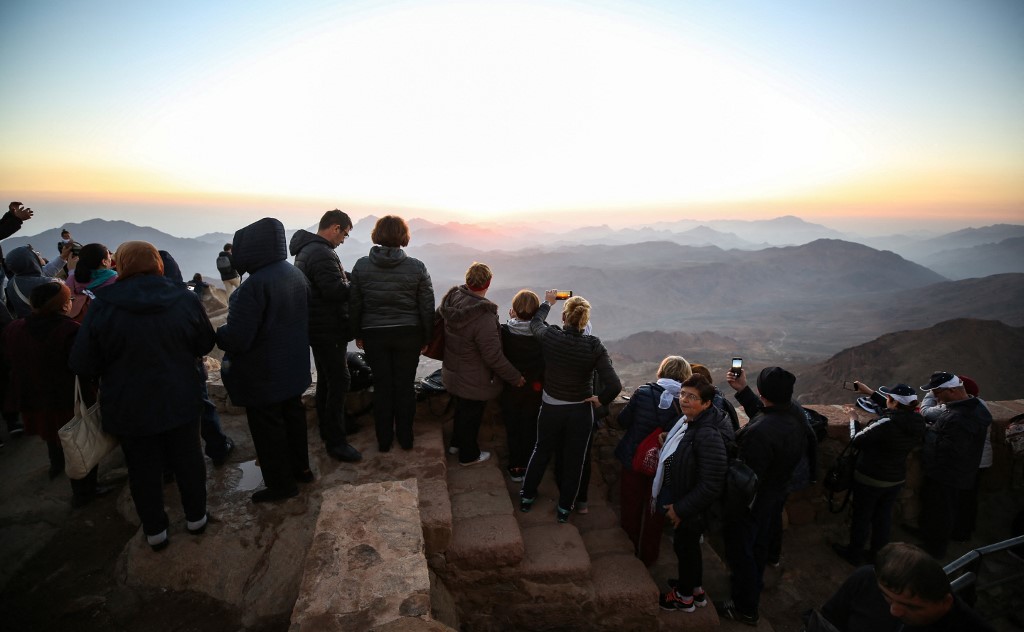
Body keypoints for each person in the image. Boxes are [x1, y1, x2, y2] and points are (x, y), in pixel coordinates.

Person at [69, 241, 215, 551]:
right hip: (181, 395)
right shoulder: (182, 297)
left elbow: (82, 361)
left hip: (128, 403)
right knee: (188, 458)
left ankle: (155, 531)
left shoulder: (103, 303)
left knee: (142, 467)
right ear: (157, 263)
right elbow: (204, 343)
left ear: (121, 265)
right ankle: (196, 518)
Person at [217, 218, 313, 503]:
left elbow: (238, 339)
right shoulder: (294, 274)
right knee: (293, 418)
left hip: (264, 375)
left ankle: (282, 485)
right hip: (293, 366)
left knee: (268, 430)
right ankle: (302, 469)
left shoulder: (252, 287)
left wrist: (219, 334)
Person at [2, 283, 110, 506]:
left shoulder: (14, 328)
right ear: (62, 306)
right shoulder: (69, 330)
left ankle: (56, 465)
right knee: (79, 442)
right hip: (67, 398)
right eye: (69, 300)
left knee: (52, 434)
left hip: (32, 397)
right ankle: (84, 491)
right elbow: (85, 364)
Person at [716, 365, 808, 626]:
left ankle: (745, 608)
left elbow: (746, 477)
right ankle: (750, 589)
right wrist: (743, 391)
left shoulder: (760, 433)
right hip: (774, 495)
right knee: (757, 547)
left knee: (742, 552)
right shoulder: (794, 415)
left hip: (752, 503)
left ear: (762, 392)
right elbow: (766, 413)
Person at [519, 291, 621, 523]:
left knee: (541, 450)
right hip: (579, 410)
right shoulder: (594, 346)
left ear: (564, 317)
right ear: (585, 321)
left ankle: (526, 497)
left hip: (552, 406)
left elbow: (535, 323)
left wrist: (548, 302)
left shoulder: (552, 337)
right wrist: (600, 399)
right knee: (575, 460)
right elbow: (614, 385)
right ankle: (565, 509)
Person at [349, 215, 434, 452]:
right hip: (409, 334)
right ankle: (406, 438)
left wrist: (358, 332)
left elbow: (355, 303)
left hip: (375, 334)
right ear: (403, 237)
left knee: (382, 386)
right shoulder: (417, 267)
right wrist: (426, 337)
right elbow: (426, 306)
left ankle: (384, 440)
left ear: (377, 235)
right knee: (405, 387)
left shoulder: (361, 266)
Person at [289, 209, 362, 463]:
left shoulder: (308, 250)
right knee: (339, 381)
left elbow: (329, 281)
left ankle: (330, 427)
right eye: (345, 234)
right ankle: (336, 441)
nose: (344, 240)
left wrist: (348, 277)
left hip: (317, 327)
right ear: (335, 227)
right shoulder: (320, 252)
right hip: (327, 327)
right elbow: (334, 291)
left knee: (327, 381)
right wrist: (357, 287)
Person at [438, 263, 524, 466]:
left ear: (467, 280)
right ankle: (468, 455)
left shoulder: (453, 299)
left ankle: (456, 444)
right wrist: (515, 377)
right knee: (472, 415)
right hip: (474, 378)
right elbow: (493, 356)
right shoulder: (483, 317)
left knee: (462, 408)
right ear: (488, 282)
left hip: (453, 371)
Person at [656, 375, 729, 612]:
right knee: (688, 548)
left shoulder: (707, 433)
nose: (685, 400)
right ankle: (695, 588)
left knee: (685, 548)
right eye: (683, 394)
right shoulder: (693, 423)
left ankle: (684, 597)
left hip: (693, 506)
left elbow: (711, 483)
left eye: (692, 397)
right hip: (689, 501)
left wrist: (680, 509)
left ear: (707, 403)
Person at [832, 382, 925, 566]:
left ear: (894, 402)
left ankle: (854, 553)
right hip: (895, 479)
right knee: (883, 518)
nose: (887, 400)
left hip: (871, 478)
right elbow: (897, 411)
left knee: (862, 517)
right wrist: (869, 392)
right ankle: (877, 554)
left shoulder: (887, 423)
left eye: (889, 398)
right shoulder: (917, 421)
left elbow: (856, 440)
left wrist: (853, 419)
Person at [613, 355, 691, 565]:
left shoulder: (644, 392)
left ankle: (628, 553)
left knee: (631, 506)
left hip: (634, 459)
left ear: (662, 371)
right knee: (654, 512)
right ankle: (648, 557)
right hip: (664, 467)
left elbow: (622, 421)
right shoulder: (686, 403)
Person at [160, 250, 234, 467]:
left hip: (145, 378)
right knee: (202, 410)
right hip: (186, 371)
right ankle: (218, 449)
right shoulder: (185, 299)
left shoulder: (115, 301)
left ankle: (166, 466)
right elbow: (205, 341)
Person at [819, 542, 995, 631]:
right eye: (886, 596)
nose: (895, 611)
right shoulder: (865, 580)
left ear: (945, 602)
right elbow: (829, 619)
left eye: (911, 606)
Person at [915, 372, 991, 558]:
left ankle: (934, 550)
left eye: (937, 392)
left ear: (952, 391)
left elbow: (947, 448)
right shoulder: (976, 409)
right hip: (962, 470)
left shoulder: (959, 417)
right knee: (948, 508)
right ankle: (935, 538)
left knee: (942, 511)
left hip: (947, 472)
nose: (935, 397)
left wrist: (929, 432)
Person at [499, 289, 546, 481]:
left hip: (511, 387)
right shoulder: (543, 333)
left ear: (514, 310)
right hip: (535, 389)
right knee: (530, 426)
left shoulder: (504, 331)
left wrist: (512, 320)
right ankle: (528, 465)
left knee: (513, 427)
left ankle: (515, 466)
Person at [4, 244, 75, 317]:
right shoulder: (47, 284)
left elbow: (44, 272)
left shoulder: (12, 283)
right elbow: (68, 292)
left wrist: (63, 257)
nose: (39, 254)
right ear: (30, 259)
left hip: (31, 324)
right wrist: (72, 271)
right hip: (52, 324)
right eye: (35, 253)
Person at [65, 243, 116, 322]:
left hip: (80, 324)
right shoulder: (115, 279)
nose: (111, 259)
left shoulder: (72, 278)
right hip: (107, 323)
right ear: (104, 262)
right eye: (109, 257)